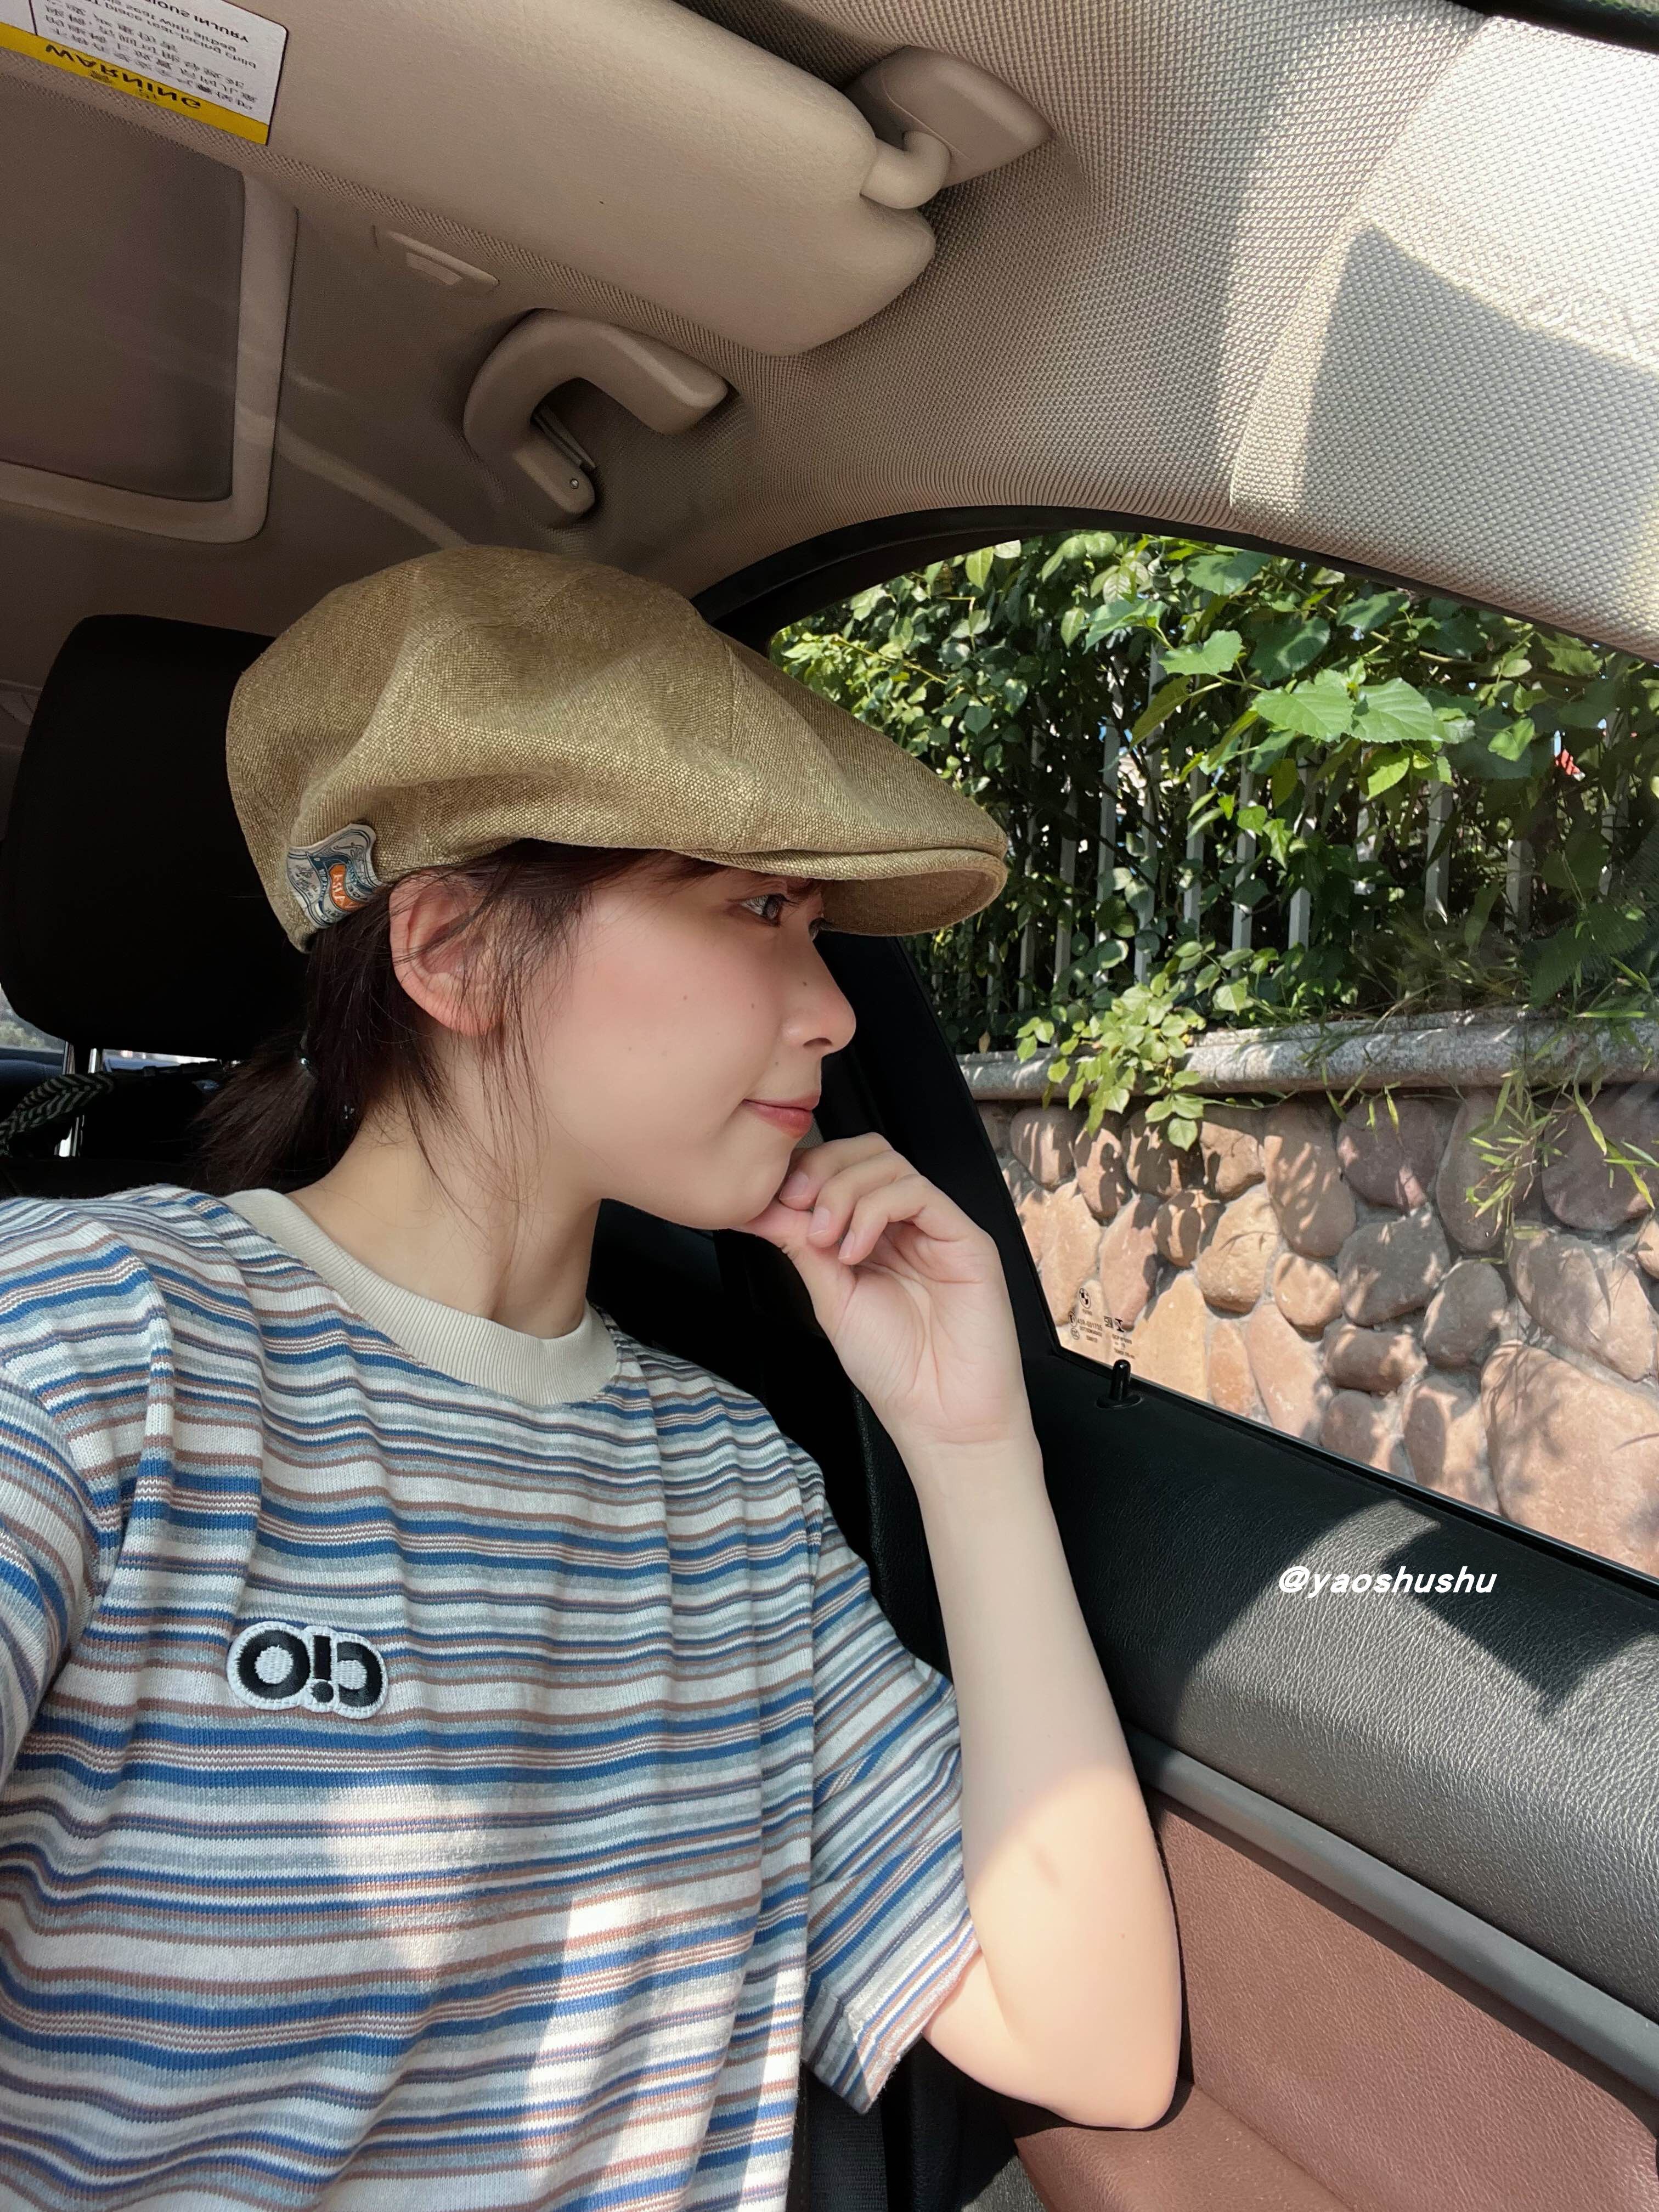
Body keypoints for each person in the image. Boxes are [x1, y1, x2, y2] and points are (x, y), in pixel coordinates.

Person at [0, 548, 1181, 2210]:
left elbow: (1091, 2044)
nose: (836, 1012)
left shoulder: (735, 1485)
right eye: (757, 909)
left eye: (816, 928)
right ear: (455, 955)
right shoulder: (84, 1342)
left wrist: (971, 1451)